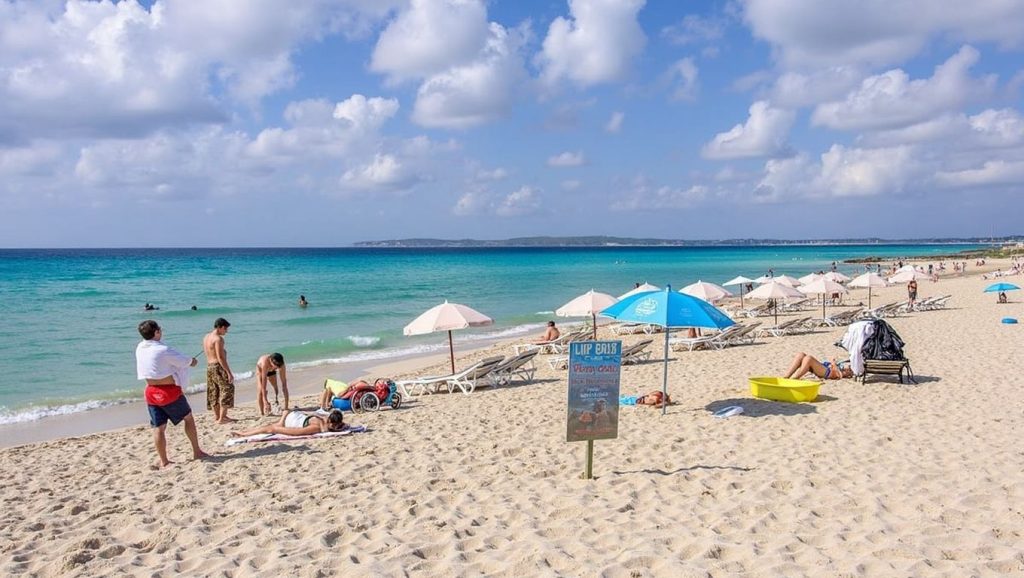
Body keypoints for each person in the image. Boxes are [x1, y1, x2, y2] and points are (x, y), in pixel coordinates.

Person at [135, 320, 209, 468]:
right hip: (168, 392)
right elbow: (185, 362)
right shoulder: (163, 350)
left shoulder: (139, 348)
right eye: (160, 329)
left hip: (150, 391)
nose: (161, 331)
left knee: (159, 427)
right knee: (188, 418)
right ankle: (197, 451)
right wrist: (192, 361)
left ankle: (164, 460)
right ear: (156, 332)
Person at [203, 318, 235, 424]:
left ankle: (217, 416)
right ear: (220, 327)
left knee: (214, 391)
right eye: (225, 329)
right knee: (227, 388)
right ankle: (222, 418)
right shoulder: (218, 339)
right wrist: (229, 373)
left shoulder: (206, 337)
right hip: (217, 366)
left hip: (209, 367)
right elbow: (220, 357)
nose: (226, 331)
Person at [231, 409, 346, 437]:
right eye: (336, 426)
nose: (338, 427)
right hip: (290, 420)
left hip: (294, 415)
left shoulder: (326, 417)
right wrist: (278, 428)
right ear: (331, 422)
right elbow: (296, 432)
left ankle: (244, 432)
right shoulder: (316, 427)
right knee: (269, 428)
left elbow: (344, 425)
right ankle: (244, 434)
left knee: (268, 426)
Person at [783, 352, 853, 380]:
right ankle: (786, 376)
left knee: (808, 358)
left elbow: (839, 375)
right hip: (824, 367)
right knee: (801, 355)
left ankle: (795, 378)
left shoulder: (852, 371)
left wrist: (834, 364)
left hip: (828, 372)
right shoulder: (850, 363)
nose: (849, 367)